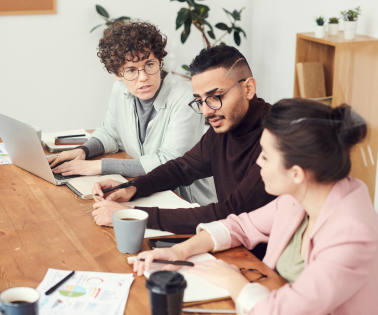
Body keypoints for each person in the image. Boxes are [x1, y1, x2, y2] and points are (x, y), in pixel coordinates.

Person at [131, 100, 378, 314]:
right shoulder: (303, 194)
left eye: (266, 156)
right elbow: (241, 225)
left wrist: (231, 279)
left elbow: (277, 311)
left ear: (296, 173)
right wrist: (180, 252)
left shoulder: (352, 236)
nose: (258, 161)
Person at [91, 45, 276, 236]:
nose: (206, 111)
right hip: (230, 240)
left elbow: (230, 212)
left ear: (249, 88)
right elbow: (182, 168)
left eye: (216, 97)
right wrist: (133, 188)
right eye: (200, 100)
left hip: (260, 257)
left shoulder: (276, 139)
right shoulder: (225, 126)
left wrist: (133, 215)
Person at [48, 21, 216, 206]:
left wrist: (98, 166)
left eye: (150, 64)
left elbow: (169, 162)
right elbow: (110, 133)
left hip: (183, 201)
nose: (143, 77)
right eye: (131, 70)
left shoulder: (184, 97)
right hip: (143, 190)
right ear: (117, 74)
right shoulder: (120, 89)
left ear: (160, 61)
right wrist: (83, 151)